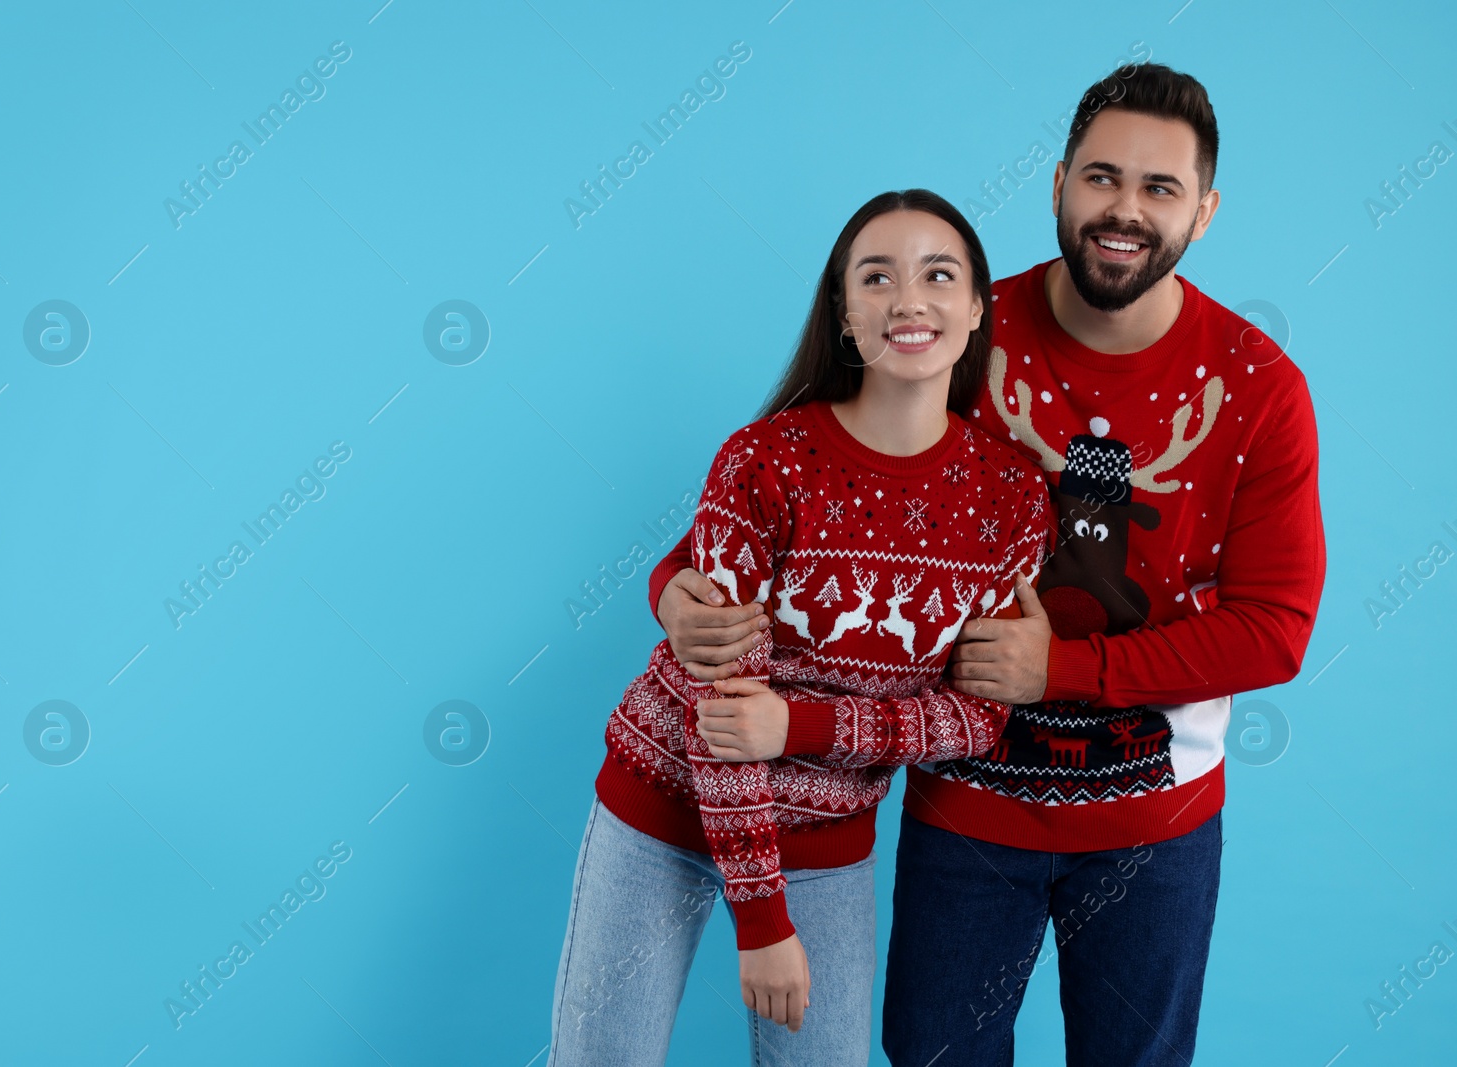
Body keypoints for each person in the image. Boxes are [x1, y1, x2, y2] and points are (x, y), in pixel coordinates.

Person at [647, 64, 1326, 1066]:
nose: (1123, 210)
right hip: (965, 805)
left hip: (1157, 823)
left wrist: (1061, 671)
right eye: (1101, 177)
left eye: (1159, 188)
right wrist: (674, 590)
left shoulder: (1260, 387)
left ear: (1205, 211)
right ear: (1056, 184)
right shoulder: (961, 324)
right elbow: (796, 470)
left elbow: (1275, 628)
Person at [546, 189, 1053, 1067]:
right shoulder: (767, 460)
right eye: (877, 276)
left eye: (939, 274)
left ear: (976, 308)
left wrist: (804, 726)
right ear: (845, 314)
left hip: (829, 847)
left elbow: (976, 717)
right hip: (662, 810)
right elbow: (724, 714)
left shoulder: (1012, 501)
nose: (909, 299)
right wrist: (762, 920)